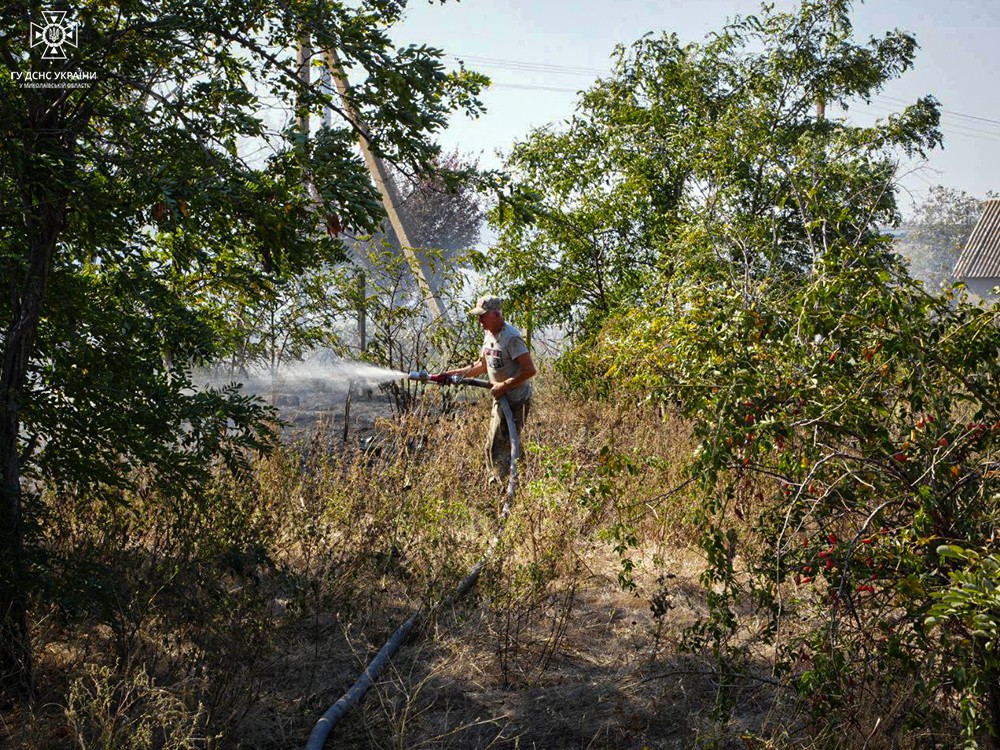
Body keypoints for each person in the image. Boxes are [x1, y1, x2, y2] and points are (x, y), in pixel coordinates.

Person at [442, 295, 536, 484]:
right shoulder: (489, 335)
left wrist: (504, 385)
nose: (479, 321)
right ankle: (519, 476)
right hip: (500, 398)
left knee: (496, 445)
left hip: (516, 400)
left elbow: (529, 370)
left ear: (495, 314)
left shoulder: (512, 338)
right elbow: (482, 366)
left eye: (482, 316)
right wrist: (452, 375)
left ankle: (502, 484)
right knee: (502, 443)